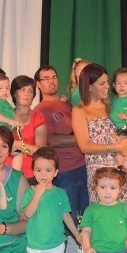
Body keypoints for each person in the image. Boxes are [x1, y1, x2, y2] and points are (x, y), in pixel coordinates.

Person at [71, 63, 127, 205]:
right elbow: (84, 146)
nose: (107, 86)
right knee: (102, 215)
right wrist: (115, 147)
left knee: (123, 214)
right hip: (100, 175)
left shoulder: (111, 106)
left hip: (122, 170)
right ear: (89, 86)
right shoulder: (79, 110)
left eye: (107, 82)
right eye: (102, 83)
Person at [34, 65, 88, 221]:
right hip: (66, 171)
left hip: (85, 166)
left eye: (54, 77)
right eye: (46, 79)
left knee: (87, 219)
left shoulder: (69, 103)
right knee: (69, 220)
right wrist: (82, 138)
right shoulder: (40, 110)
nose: (51, 81)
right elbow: (50, 140)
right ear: (38, 84)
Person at [10, 75, 46, 177]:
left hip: (31, 173)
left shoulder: (38, 118)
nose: (27, 94)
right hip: (6, 172)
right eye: (23, 90)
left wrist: (17, 145)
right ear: (14, 93)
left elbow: (41, 150)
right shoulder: (4, 116)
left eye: (30, 91)